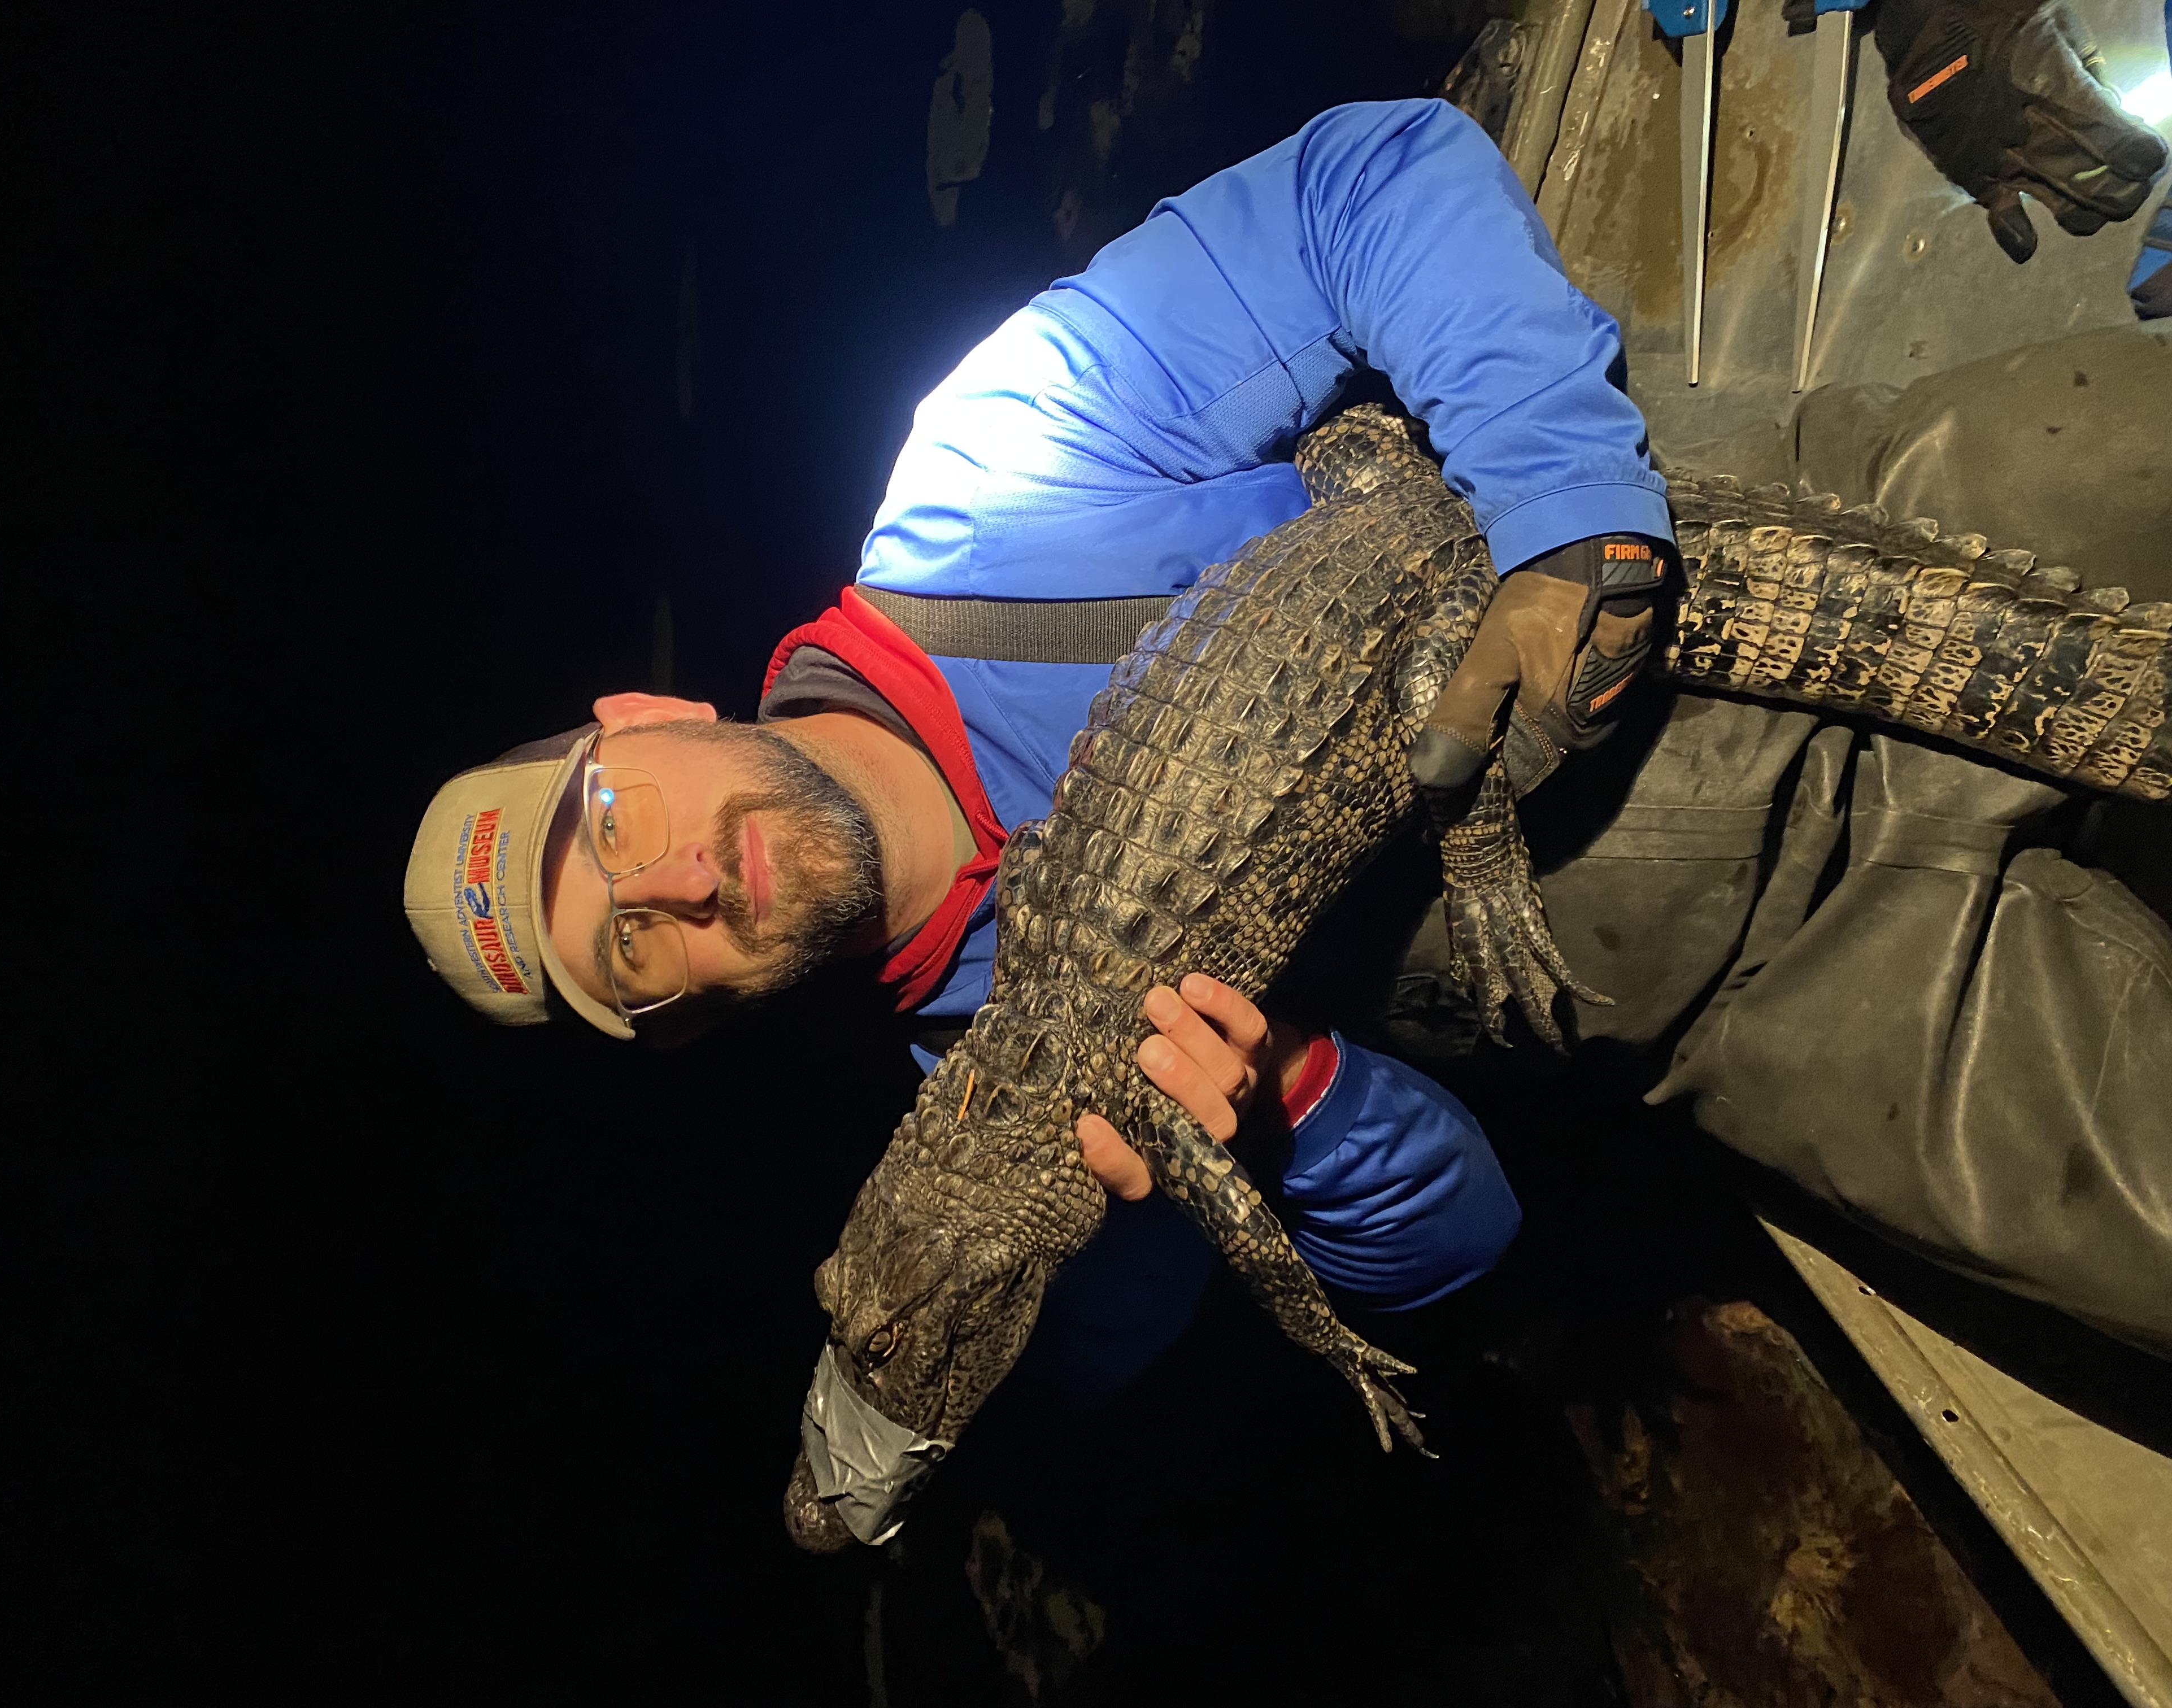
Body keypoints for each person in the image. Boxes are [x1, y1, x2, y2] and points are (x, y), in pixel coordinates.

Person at [402, 98, 1677, 1404]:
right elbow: (1464, 1238)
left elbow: (1368, 177)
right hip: (1698, 982)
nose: (681, 884)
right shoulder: (999, 1139)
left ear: (648, 716)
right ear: (679, 1029)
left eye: (614, 822)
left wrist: (1565, 505)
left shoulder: (993, 472)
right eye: (632, 948)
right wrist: (1284, 1086)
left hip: (1652, 553)